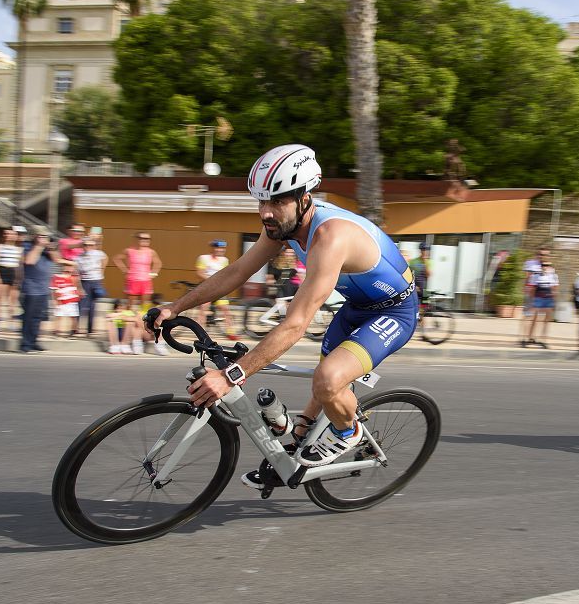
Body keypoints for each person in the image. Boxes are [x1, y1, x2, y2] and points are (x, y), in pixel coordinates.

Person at [151, 144, 419, 484]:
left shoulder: (331, 236)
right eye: (262, 202)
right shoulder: (284, 226)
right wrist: (175, 307)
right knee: (324, 383)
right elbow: (236, 273)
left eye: (277, 202)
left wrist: (232, 375)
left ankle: (347, 431)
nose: (266, 212)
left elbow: (295, 325)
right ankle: (298, 446)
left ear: (304, 199)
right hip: (356, 308)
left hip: (395, 313)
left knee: (329, 380)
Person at [18, 227, 60, 353]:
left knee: (38, 318)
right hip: (31, 289)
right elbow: (29, 261)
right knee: (29, 317)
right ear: (35, 236)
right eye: (42, 236)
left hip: (44, 289)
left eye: (46, 237)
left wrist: (51, 248)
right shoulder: (27, 246)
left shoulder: (48, 250)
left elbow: (57, 259)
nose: (45, 239)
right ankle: (25, 344)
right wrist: (39, 246)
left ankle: (34, 341)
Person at [195, 239, 235, 335]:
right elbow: (199, 273)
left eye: (222, 248)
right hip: (207, 287)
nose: (220, 250)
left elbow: (225, 274)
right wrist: (212, 281)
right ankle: (200, 333)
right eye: (218, 248)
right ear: (213, 248)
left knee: (226, 309)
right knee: (203, 309)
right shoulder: (203, 258)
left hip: (219, 288)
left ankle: (231, 333)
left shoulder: (225, 260)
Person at [113, 231, 161, 310]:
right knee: (130, 305)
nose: (146, 240)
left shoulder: (151, 252)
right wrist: (124, 270)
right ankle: (129, 320)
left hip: (146, 281)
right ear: (137, 239)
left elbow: (158, 263)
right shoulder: (129, 250)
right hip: (133, 280)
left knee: (144, 306)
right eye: (143, 238)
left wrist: (154, 273)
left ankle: (143, 322)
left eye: (148, 238)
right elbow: (116, 258)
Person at [0, 227, 24, 331]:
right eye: (7, 234)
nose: (10, 236)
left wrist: (19, 278)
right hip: (2, 270)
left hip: (14, 272)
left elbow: (20, 264)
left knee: (12, 300)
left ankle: (11, 321)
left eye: (12, 234)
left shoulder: (20, 249)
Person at [75, 236, 108, 336]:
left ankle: (90, 329)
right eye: (86, 245)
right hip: (84, 281)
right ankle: (76, 329)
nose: (88, 247)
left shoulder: (99, 254)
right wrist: (79, 287)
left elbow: (106, 258)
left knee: (92, 306)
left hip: (96, 281)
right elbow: (77, 273)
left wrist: (102, 270)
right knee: (81, 306)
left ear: (94, 246)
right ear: (83, 246)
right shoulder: (79, 257)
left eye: (91, 245)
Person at [522, 261, 558, 348]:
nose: (545, 267)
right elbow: (532, 289)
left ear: (550, 267)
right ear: (540, 266)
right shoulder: (535, 276)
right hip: (538, 299)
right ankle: (529, 338)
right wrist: (531, 300)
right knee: (534, 319)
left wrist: (554, 301)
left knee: (546, 320)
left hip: (548, 299)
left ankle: (543, 340)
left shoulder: (553, 276)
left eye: (547, 265)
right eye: (543, 265)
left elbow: (554, 289)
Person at [50, 263, 83, 338]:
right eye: (67, 266)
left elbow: (78, 286)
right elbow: (54, 289)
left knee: (73, 316)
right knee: (59, 316)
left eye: (71, 266)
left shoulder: (74, 277)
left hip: (72, 300)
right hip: (61, 300)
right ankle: (56, 331)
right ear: (63, 267)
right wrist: (54, 300)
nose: (69, 268)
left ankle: (73, 331)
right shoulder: (56, 277)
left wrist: (80, 292)